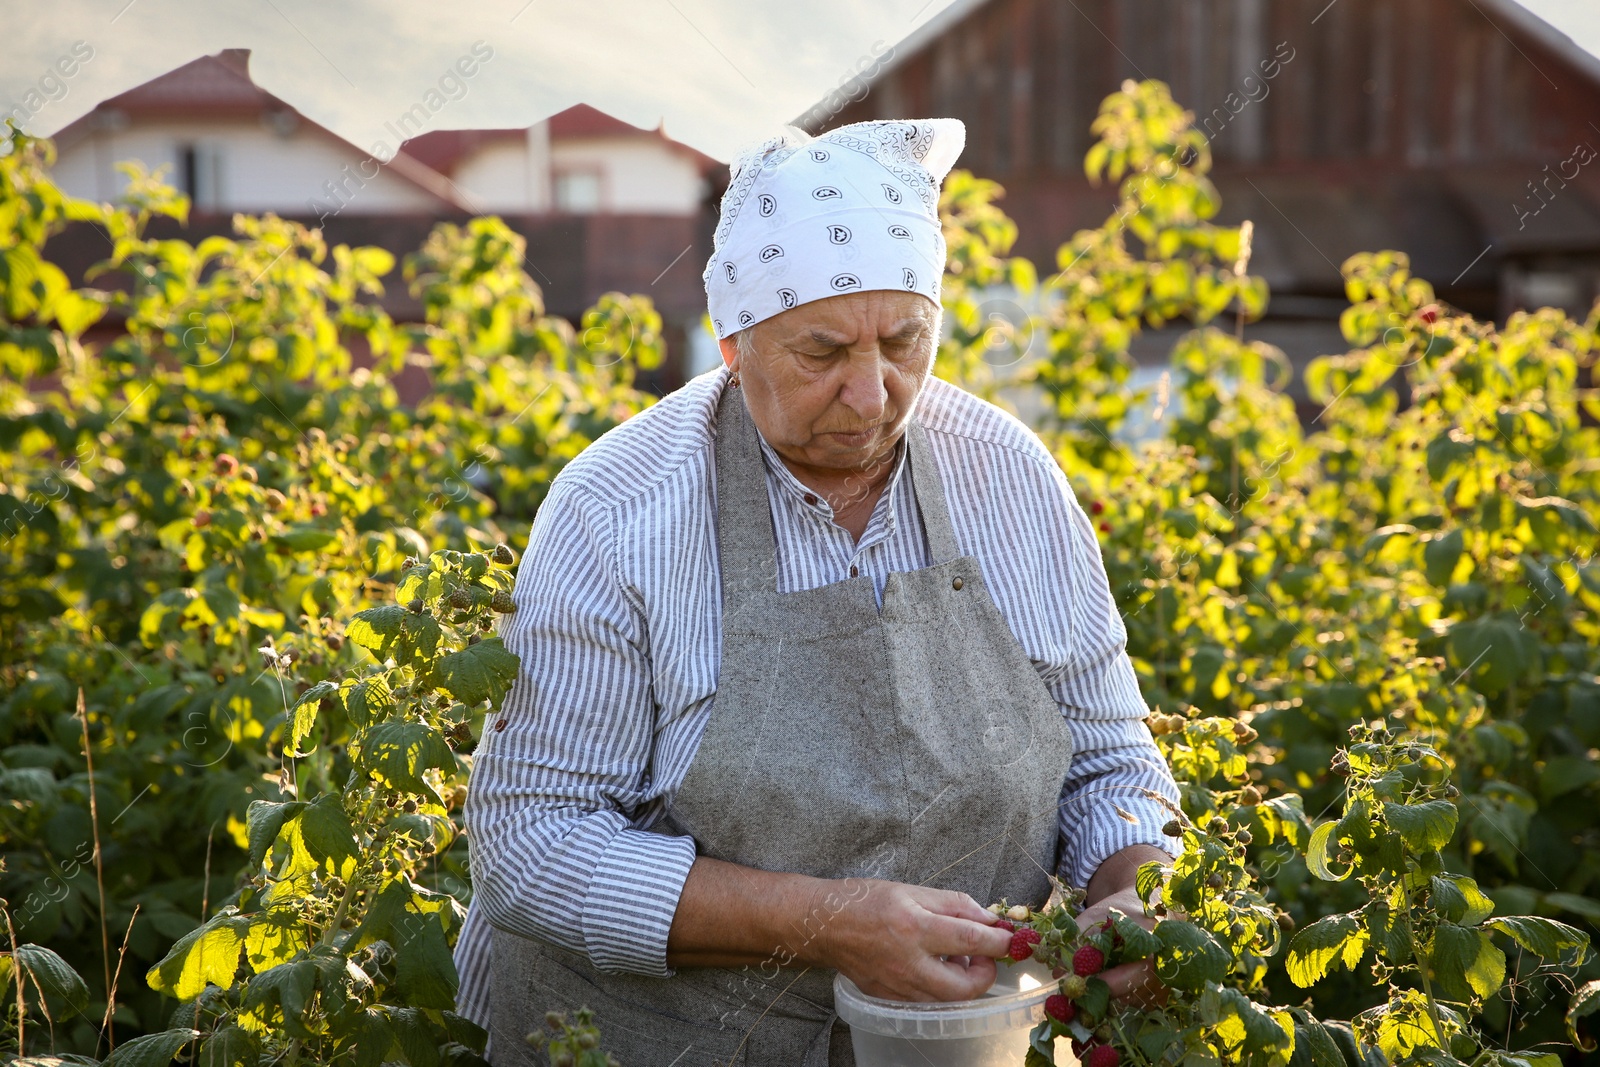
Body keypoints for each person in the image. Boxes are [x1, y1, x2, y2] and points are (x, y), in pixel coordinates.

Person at [452, 117, 1183, 1066]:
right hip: (658, 1042)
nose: (874, 394)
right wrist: (829, 921)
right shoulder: (620, 510)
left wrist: (1135, 890)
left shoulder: (1007, 476)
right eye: (823, 352)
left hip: (951, 1042)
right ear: (733, 342)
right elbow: (531, 848)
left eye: (904, 341)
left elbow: (1108, 758)